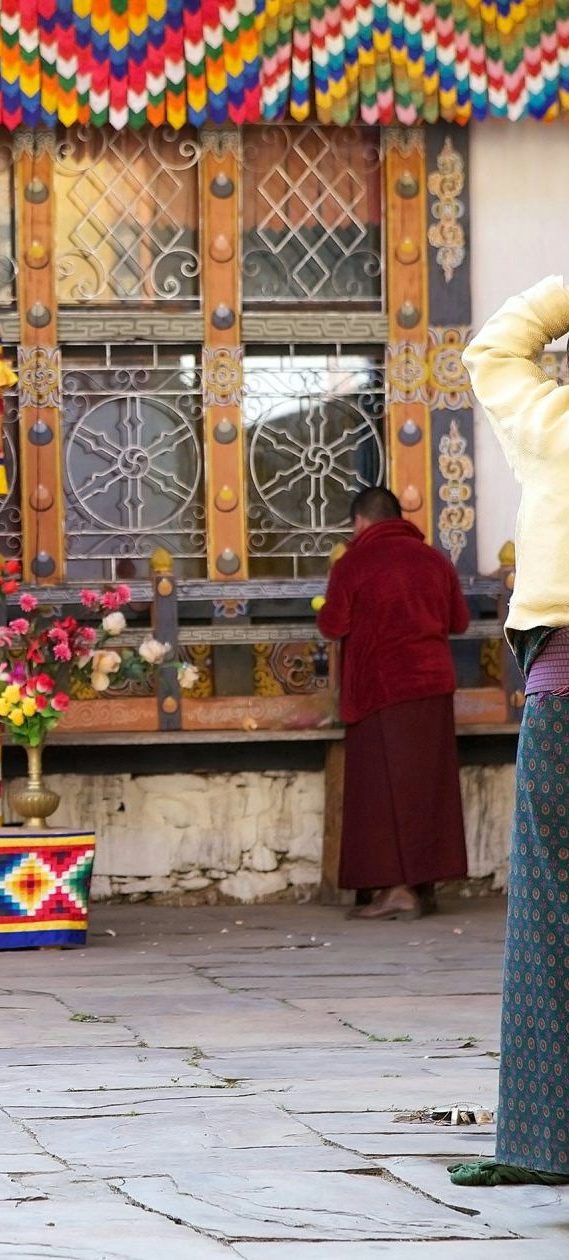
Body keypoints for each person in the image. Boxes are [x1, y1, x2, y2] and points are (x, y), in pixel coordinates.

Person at [445, 276, 569, 1188]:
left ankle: (547, 1136)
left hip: (563, 694)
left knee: (552, 908)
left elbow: (494, 345)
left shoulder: (555, 430)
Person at [317, 486, 470, 921]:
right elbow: (458, 621)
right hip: (433, 688)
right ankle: (425, 884)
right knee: (427, 787)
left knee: (383, 792)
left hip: (379, 689)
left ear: (360, 522)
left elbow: (332, 624)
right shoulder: (435, 560)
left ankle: (397, 889)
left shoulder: (354, 563)